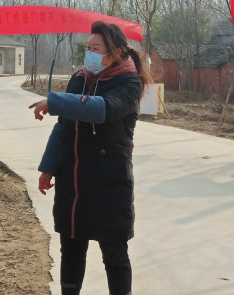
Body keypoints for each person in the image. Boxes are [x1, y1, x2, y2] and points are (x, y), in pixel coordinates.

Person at [29, 21, 151, 295]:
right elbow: (62, 126)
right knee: (71, 251)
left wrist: (55, 101)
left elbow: (101, 109)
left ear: (115, 53)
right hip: (73, 183)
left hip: (110, 184)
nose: (89, 54)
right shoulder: (79, 79)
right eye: (89, 48)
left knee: (115, 254)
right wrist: (48, 167)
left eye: (96, 49)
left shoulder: (129, 83)